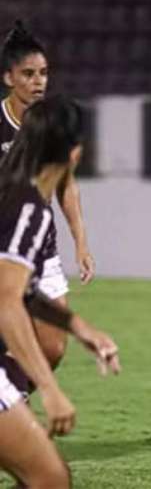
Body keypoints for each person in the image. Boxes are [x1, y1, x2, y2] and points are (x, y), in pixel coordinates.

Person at [0, 95, 120, 488]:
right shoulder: (27, 209)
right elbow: (7, 303)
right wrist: (50, 391)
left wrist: (80, 328)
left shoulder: (14, 194)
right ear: (75, 153)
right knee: (49, 478)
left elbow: (19, 291)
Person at [1, 21, 96, 391]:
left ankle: (11, 406)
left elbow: (66, 186)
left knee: (53, 348)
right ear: (8, 77)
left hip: (42, 251)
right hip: (4, 254)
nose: (38, 81)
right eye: (28, 74)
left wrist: (81, 242)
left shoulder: (51, 125)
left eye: (43, 73)